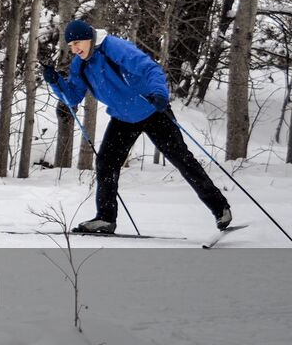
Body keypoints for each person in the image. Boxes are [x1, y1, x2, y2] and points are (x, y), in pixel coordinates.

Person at [43, 19, 231, 234]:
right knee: (106, 164)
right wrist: (55, 81)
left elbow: (150, 69)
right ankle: (105, 219)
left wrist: (160, 93)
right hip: (123, 118)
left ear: (90, 38)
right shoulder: (81, 64)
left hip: (152, 110)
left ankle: (220, 208)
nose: (75, 49)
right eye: (71, 45)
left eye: (78, 43)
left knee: (181, 159)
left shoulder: (114, 48)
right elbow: (73, 96)